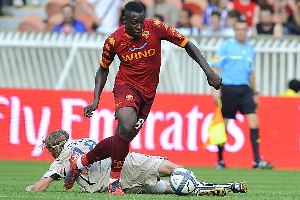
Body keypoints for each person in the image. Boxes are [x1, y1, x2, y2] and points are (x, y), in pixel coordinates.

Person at [64, 1, 222, 195]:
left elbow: (187, 44)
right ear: (124, 21)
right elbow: (103, 69)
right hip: (126, 87)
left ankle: (79, 162)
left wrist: (209, 73)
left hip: (148, 93)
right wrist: (95, 99)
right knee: (127, 125)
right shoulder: (114, 40)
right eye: (134, 23)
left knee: (121, 138)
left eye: (141, 22)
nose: (139, 27)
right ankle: (115, 182)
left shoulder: (155, 27)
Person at [25, 129, 248, 196]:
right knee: (167, 167)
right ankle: (200, 183)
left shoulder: (58, 164)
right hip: (123, 164)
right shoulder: (83, 141)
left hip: (113, 184)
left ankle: (194, 188)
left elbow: (43, 185)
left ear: (54, 149)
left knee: (164, 189)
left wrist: (32, 187)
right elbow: (107, 145)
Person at [211, 19, 274, 170]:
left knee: (254, 122)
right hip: (228, 88)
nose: (241, 32)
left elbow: (251, 72)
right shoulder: (227, 46)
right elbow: (215, 67)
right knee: (224, 124)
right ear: (235, 30)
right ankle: (220, 160)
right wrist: (216, 89)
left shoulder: (250, 49)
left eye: (244, 29)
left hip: (245, 89)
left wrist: (255, 92)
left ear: (248, 30)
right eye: (238, 29)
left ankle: (257, 160)